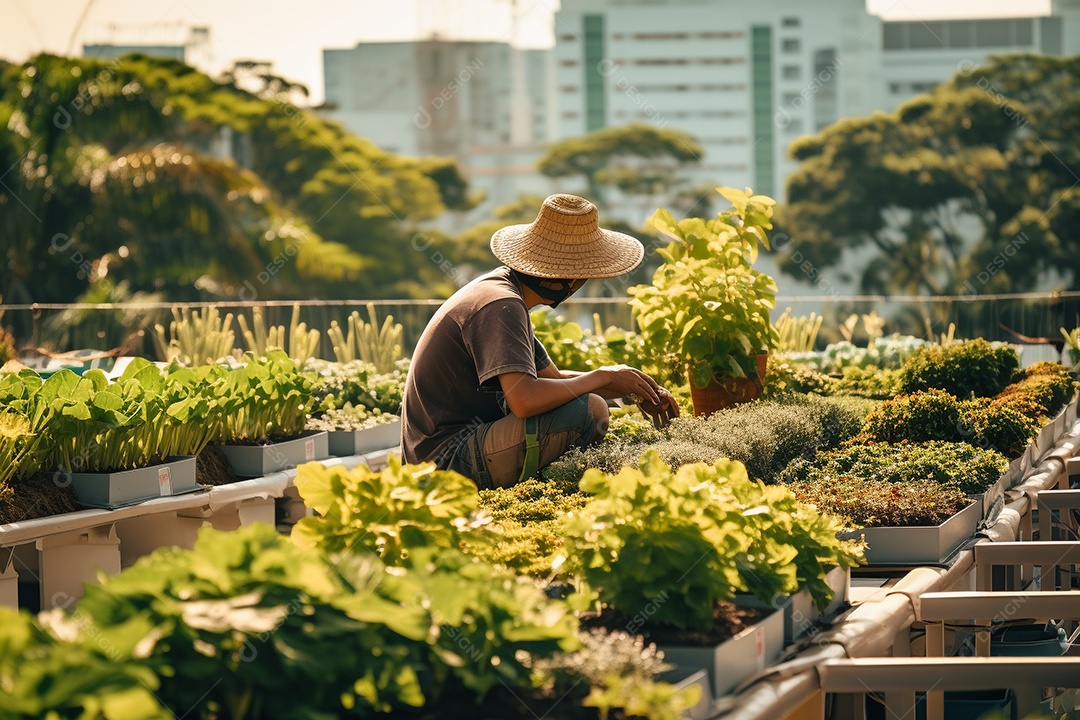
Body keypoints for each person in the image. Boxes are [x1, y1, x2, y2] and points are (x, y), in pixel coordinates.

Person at [401, 193, 679, 489]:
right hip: (444, 462)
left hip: (450, 451)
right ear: (568, 281)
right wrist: (601, 376)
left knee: (588, 401)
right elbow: (525, 400)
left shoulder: (503, 293)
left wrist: (635, 390)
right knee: (591, 410)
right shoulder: (500, 305)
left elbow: (555, 382)